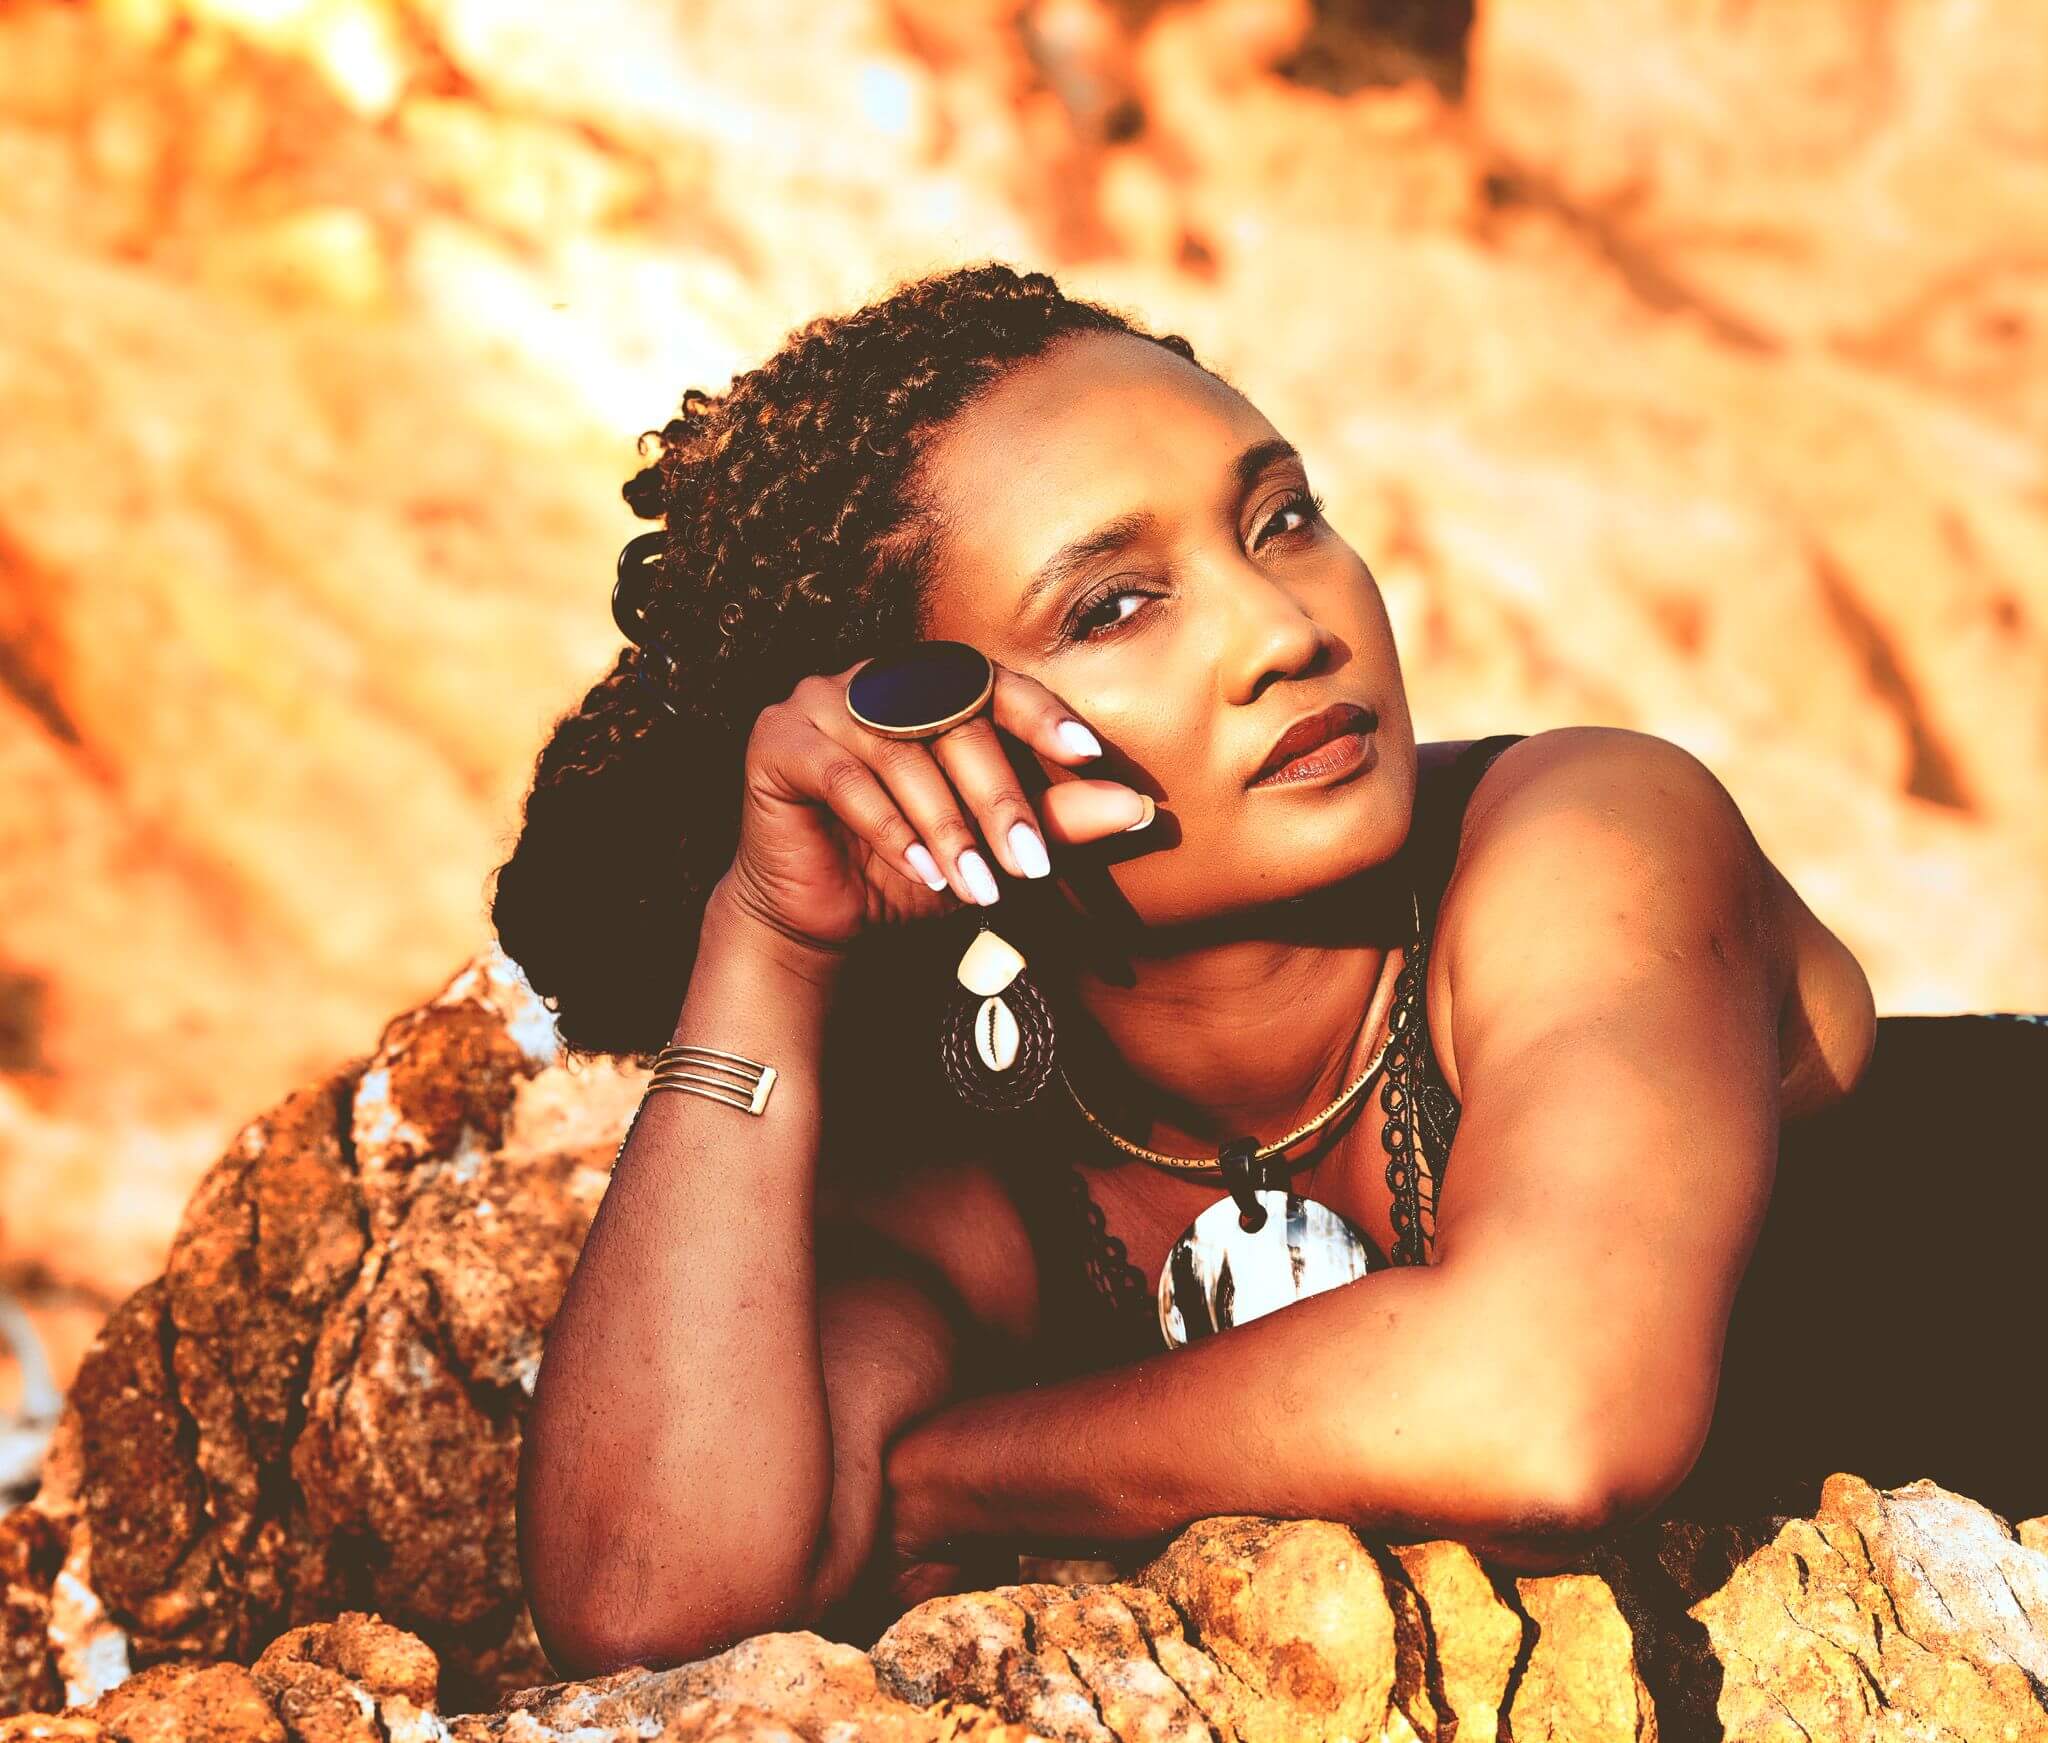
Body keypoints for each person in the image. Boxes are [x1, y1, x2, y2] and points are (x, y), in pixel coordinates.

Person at [490, 262, 2045, 1679]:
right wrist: (769, 943)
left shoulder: (1590, 831)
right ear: (932, 742)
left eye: (1282, 517)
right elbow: (647, 1600)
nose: (1285, 627)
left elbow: (1557, 1412)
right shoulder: (979, 1163)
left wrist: (959, 1470)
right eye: (1112, 606)